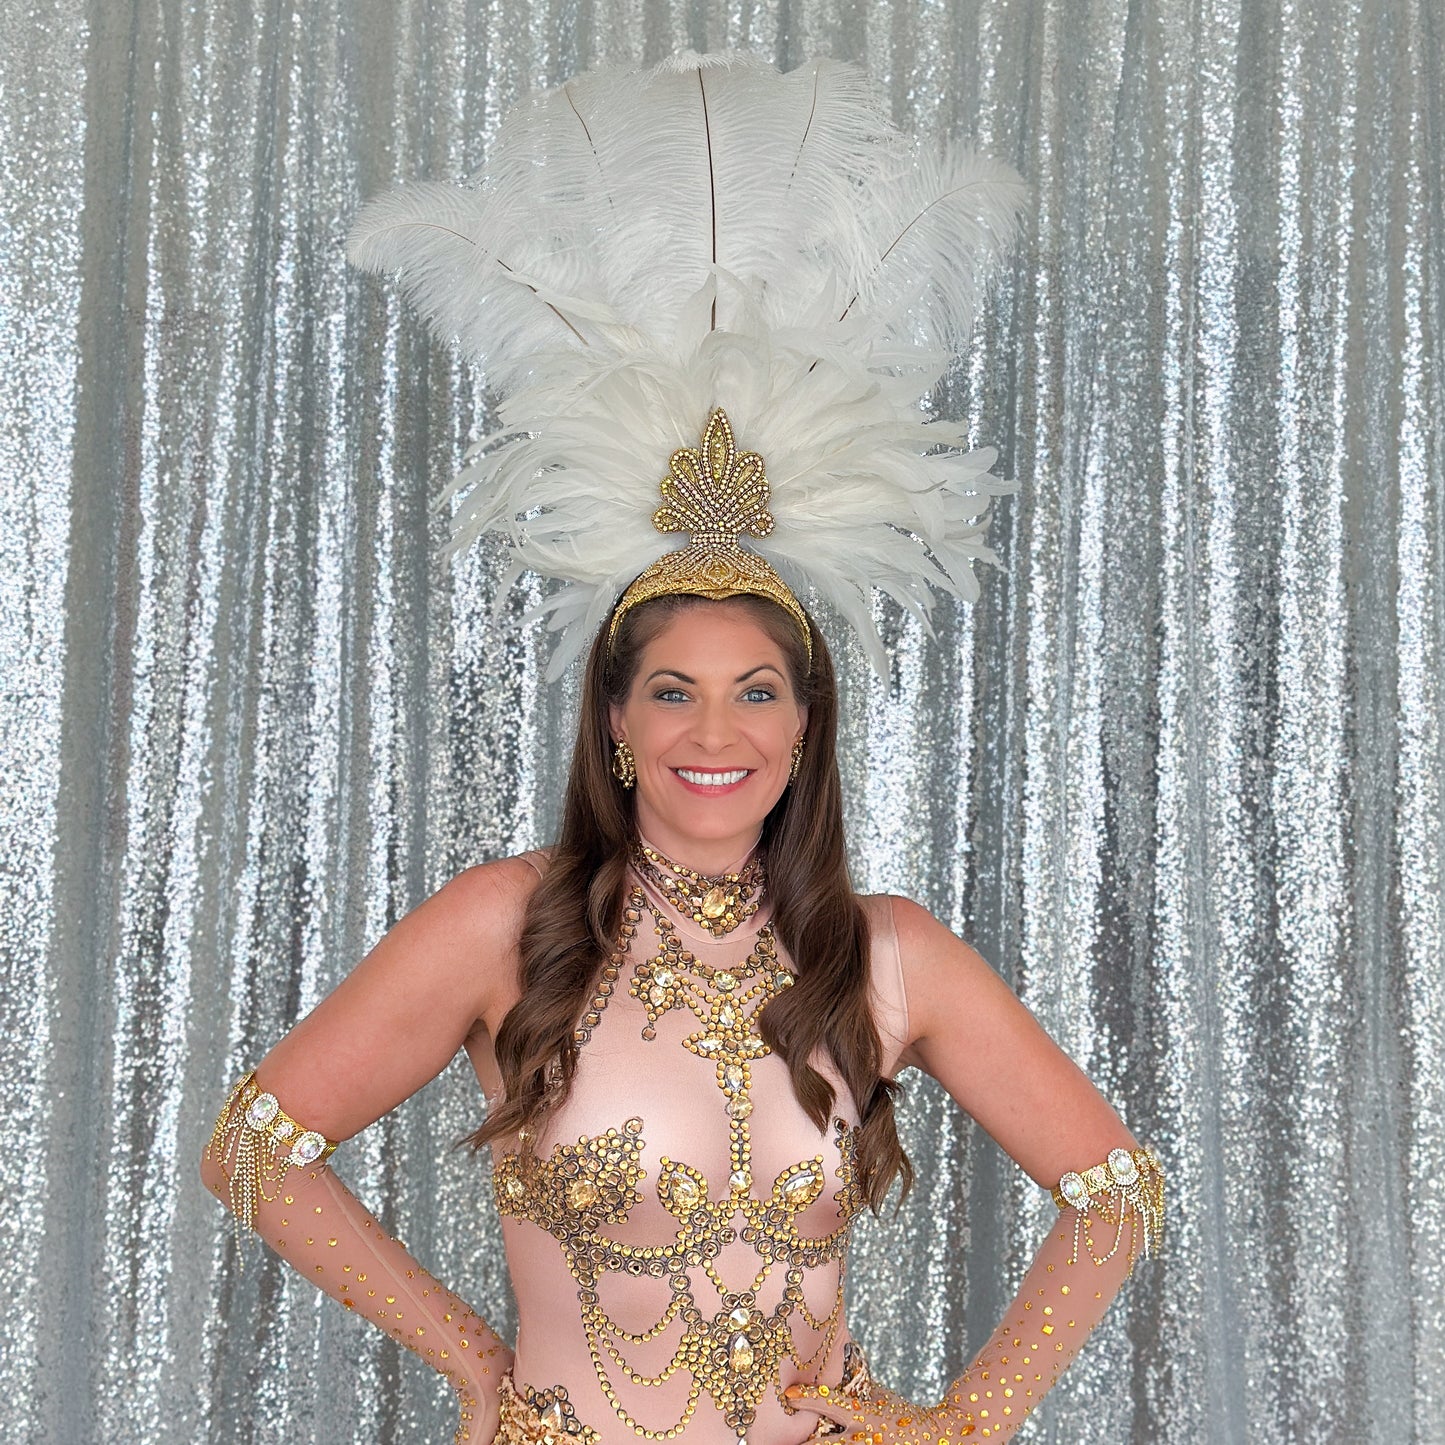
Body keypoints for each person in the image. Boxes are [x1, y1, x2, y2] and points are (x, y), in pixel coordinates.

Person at [202, 51, 1166, 1445]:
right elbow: (255, 1149)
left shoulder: (887, 953)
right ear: (615, 721)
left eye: (756, 692)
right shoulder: (507, 922)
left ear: (804, 726)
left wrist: (971, 1417)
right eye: (672, 691)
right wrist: (473, 1361)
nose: (715, 731)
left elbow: (1113, 1192)